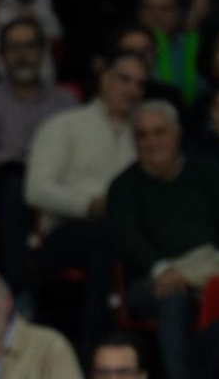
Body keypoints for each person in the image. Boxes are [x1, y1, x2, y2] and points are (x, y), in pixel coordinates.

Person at [105, 99, 219, 379]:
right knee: (174, 295)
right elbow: (128, 241)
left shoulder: (209, 173)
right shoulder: (123, 186)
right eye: (142, 136)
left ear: (177, 135)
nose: (151, 142)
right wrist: (162, 269)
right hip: (149, 281)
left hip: (213, 269)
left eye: (159, 132)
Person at [23, 48, 145, 339]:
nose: (132, 89)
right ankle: (95, 350)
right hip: (65, 231)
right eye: (124, 79)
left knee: (116, 240)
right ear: (104, 80)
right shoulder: (64, 125)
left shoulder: (142, 135)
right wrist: (89, 206)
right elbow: (36, 190)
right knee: (106, 240)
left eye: (140, 84)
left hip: (123, 232)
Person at [0, 16, 78, 285]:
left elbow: (78, 151)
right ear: (2, 55)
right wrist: (29, 161)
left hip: (58, 183)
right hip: (6, 184)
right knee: (15, 188)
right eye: (14, 48)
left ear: (42, 52)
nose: (22, 55)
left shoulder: (65, 100)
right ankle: (18, 288)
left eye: (29, 46)